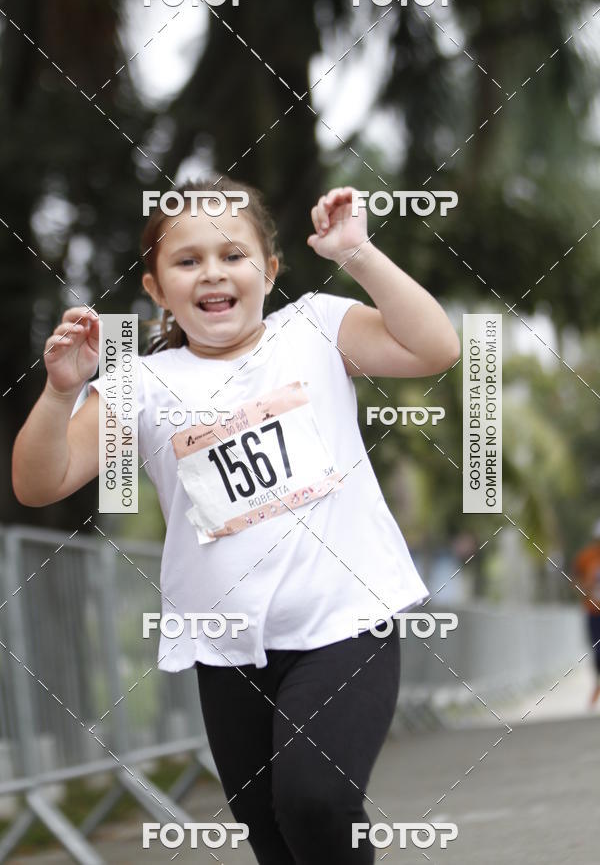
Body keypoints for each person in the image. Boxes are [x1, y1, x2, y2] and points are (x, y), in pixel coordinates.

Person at [12, 177, 460, 864]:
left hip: (345, 621)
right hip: (228, 647)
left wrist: (358, 254)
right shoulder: (142, 386)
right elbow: (38, 483)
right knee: (275, 838)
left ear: (268, 270)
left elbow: (436, 349)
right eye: (187, 261)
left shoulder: (313, 327)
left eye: (233, 256)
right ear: (157, 289)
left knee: (315, 799)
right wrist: (59, 393)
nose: (212, 273)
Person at [572, 519, 600, 708]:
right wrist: (587, 587)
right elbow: (575, 582)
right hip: (593, 612)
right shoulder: (586, 557)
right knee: (597, 652)